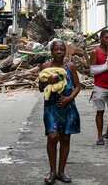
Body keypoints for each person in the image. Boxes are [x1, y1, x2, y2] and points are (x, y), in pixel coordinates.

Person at [39, 39, 81, 184]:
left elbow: (77, 86)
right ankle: (52, 171)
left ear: (65, 52)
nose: (59, 52)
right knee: (52, 137)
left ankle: (61, 172)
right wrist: (48, 82)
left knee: (65, 139)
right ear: (51, 51)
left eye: (61, 50)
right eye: (56, 49)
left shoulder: (70, 66)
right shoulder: (45, 66)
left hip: (68, 108)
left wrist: (69, 98)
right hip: (51, 107)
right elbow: (40, 87)